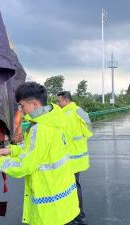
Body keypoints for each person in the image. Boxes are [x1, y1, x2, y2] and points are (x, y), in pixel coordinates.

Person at [0, 82, 80, 225]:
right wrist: (11, 150)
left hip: (49, 207)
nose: (21, 110)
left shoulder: (41, 128)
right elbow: (37, 149)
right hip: (63, 200)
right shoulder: (56, 119)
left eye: (22, 106)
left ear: (35, 104)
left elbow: (25, 166)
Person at [57, 91, 93, 225]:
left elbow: (87, 130)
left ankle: (77, 216)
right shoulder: (76, 111)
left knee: (71, 187)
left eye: (59, 101)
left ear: (66, 100)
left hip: (71, 157)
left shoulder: (69, 113)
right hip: (76, 156)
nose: (58, 104)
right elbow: (88, 130)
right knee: (73, 186)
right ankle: (77, 215)